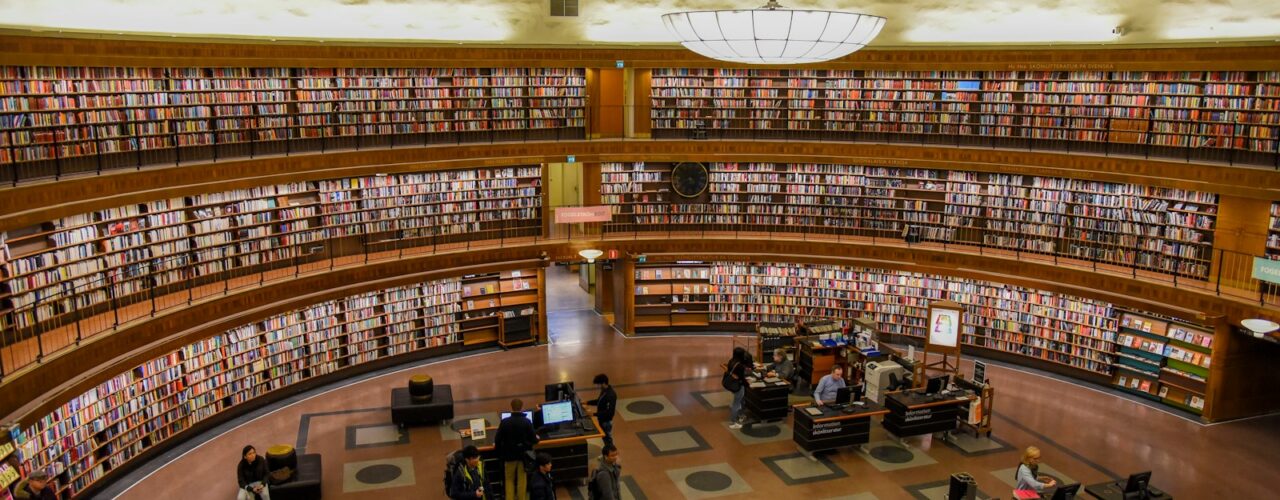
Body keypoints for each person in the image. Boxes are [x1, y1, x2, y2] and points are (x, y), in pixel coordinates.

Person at [495, 399, 538, 500]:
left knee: (509, 479)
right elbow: (533, 439)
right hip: (523, 456)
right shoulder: (527, 421)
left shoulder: (505, 422)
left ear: (511, 407)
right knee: (522, 480)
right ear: (522, 408)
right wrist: (533, 440)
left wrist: (499, 452)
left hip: (509, 456)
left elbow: (497, 439)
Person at [586, 373, 617, 447]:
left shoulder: (611, 395)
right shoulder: (604, 390)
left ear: (603, 383)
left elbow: (609, 412)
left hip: (606, 422)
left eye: (598, 384)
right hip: (602, 420)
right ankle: (606, 453)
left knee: (608, 440)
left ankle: (611, 454)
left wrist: (594, 414)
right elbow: (599, 401)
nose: (597, 386)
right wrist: (587, 402)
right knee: (605, 439)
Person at [725, 346, 750, 429]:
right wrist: (748, 384)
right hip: (739, 386)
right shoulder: (740, 366)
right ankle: (733, 422)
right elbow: (742, 378)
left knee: (741, 401)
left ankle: (741, 415)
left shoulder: (731, 361)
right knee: (736, 403)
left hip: (732, 384)